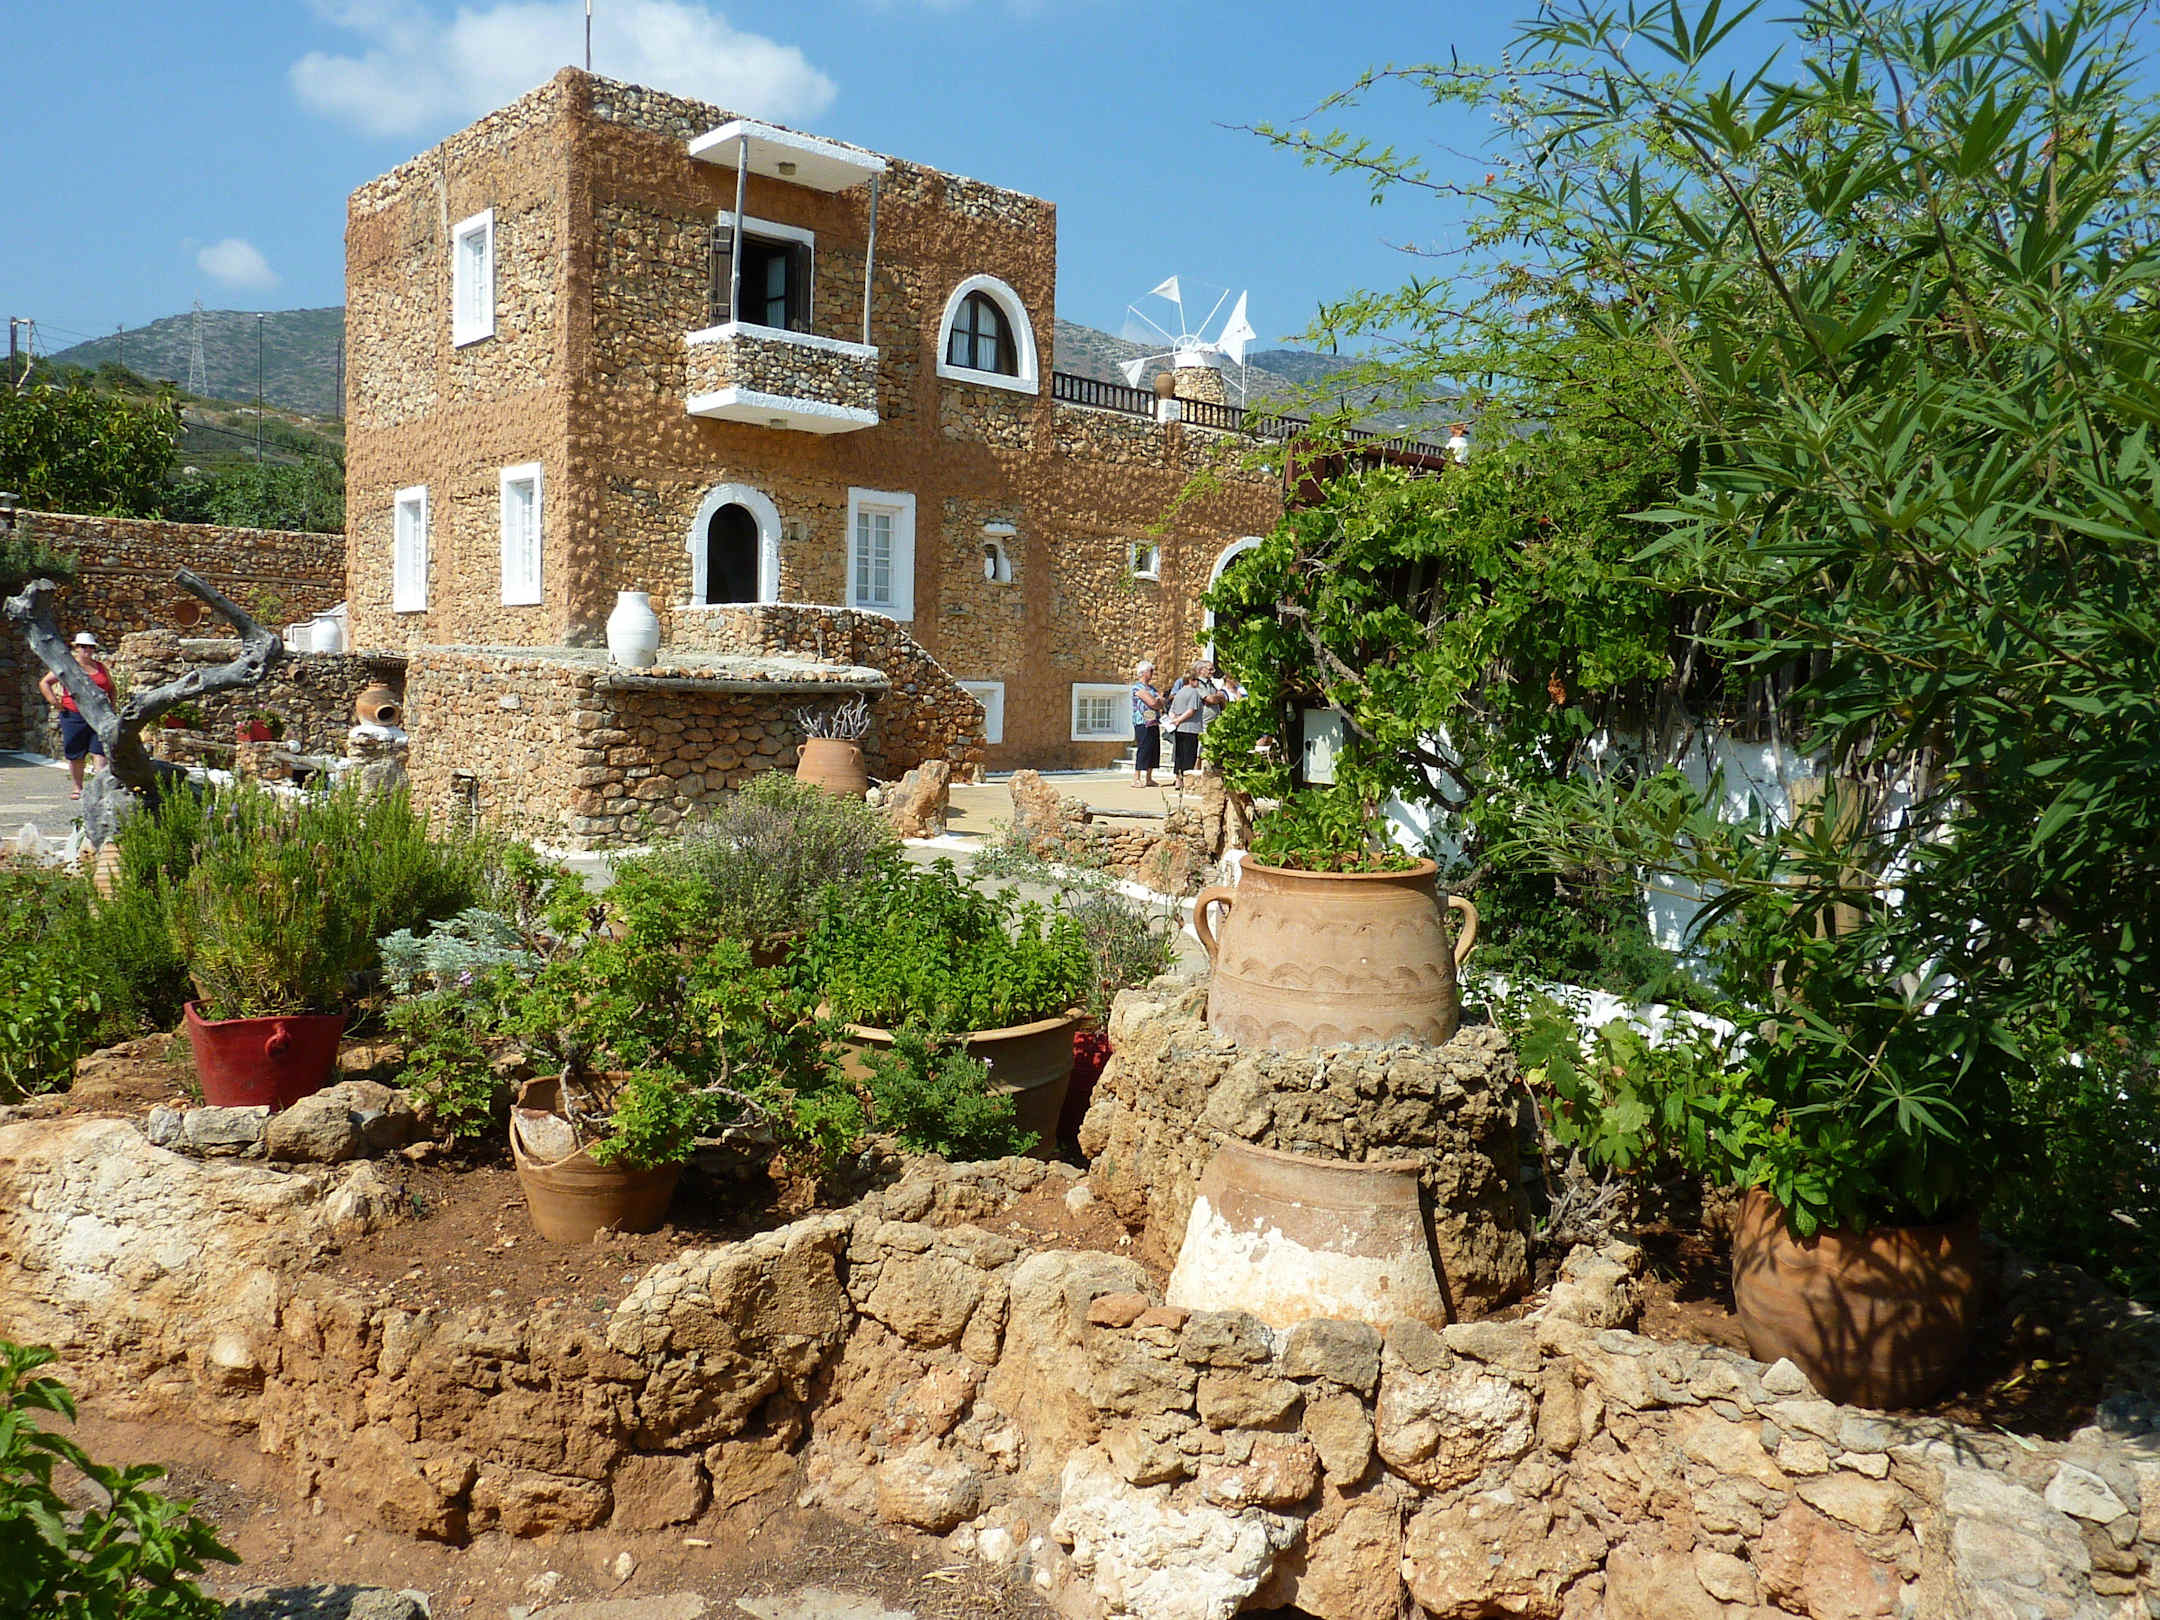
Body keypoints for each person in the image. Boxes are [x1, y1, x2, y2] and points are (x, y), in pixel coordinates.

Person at [39, 632, 115, 800]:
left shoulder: (100, 667)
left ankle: (100, 790)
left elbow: (111, 687)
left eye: (90, 646)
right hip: (74, 715)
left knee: (100, 752)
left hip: (99, 716)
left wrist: (112, 707)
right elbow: (45, 682)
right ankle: (77, 787)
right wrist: (55, 702)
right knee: (76, 753)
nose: (87, 649)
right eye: (83, 646)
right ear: (76, 648)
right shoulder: (67, 666)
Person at [1167, 663, 1210, 793]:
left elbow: (1171, 711)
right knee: (1189, 755)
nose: (1198, 682)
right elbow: (1191, 710)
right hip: (1191, 728)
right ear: (1191, 680)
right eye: (1196, 680)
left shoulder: (1179, 693)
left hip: (1179, 729)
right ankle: (1187, 782)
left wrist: (1175, 720)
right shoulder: (1194, 692)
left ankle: (1178, 780)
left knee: (1179, 755)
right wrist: (1179, 719)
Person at [1129, 660, 1165, 787]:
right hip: (1142, 722)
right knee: (1143, 748)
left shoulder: (1152, 688)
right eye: (1151, 671)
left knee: (1154, 749)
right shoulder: (1137, 688)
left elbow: (1161, 702)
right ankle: (1136, 778)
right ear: (1143, 672)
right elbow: (1153, 703)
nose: (1152, 673)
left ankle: (1149, 778)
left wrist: (1158, 701)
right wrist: (1157, 701)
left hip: (1153, 721)